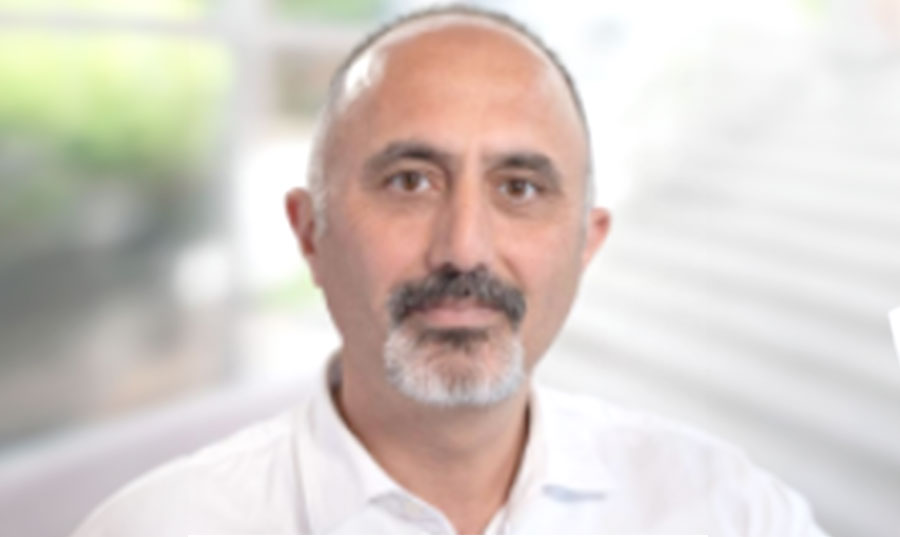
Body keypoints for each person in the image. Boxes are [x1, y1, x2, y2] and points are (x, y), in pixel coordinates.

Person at [73, 6, 829, 536]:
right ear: (310, 234)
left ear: (586, 244)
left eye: (519, 189)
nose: (464, 248)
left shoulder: (734, 512)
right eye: (410, 181)